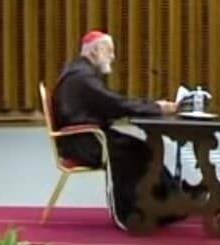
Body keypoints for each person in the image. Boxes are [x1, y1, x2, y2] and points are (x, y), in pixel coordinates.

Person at [51, 30, 183, 228]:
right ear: (95, 51)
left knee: (141, 148)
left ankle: (163, 203)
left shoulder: (82, 73)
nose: (112, 57)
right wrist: (157, 108)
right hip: (82, 142)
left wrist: (150, 106)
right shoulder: (82, 77)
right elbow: (115, 104)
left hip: (85, 137)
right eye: (109, 51)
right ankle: (135, 213)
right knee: (137, 151)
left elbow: (110, 103)